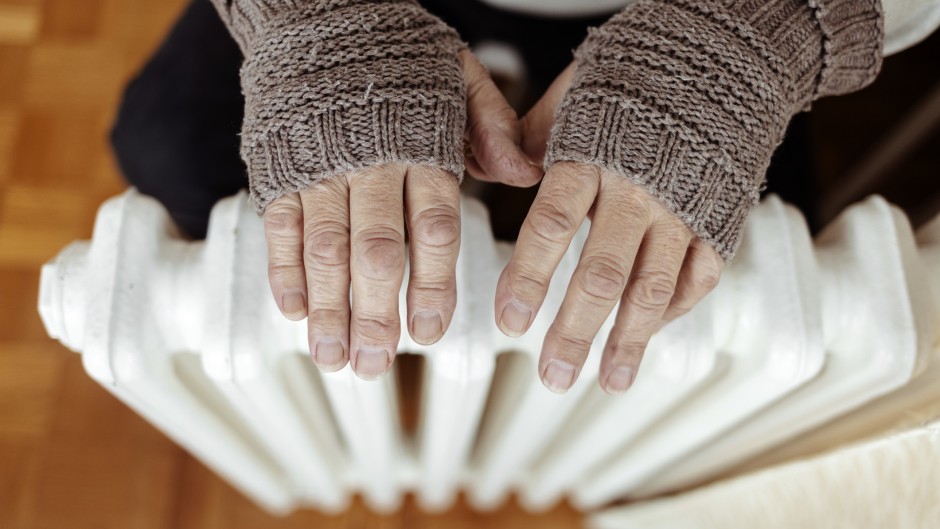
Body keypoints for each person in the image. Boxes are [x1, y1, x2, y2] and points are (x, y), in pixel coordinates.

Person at [111, 0, 940, 394]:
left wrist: (771, 28)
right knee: (168, 146)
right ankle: (314, 354)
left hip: (708, 21)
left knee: (758, 246)